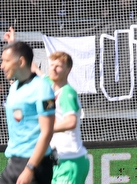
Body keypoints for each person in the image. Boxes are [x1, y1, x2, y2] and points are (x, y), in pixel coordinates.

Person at [1, 41, 56, 184]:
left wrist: (30, 169)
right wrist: (12, 43)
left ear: (21, 61)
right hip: (13, 163)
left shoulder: (42, 88)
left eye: (6, 61)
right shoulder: (14, 88)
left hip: (34, 165)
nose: (2, 66)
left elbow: (47, 132)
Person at [46, 52, 88, 184]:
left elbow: (71, 122)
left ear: (68, 70)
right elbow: (32, 70)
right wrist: (13, 44)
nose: (53, 68)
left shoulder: (66, 92)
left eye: (58, 66)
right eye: (52, 64)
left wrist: (45, 129)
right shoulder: (51, 90)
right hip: (60, 160)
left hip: (70, 160)